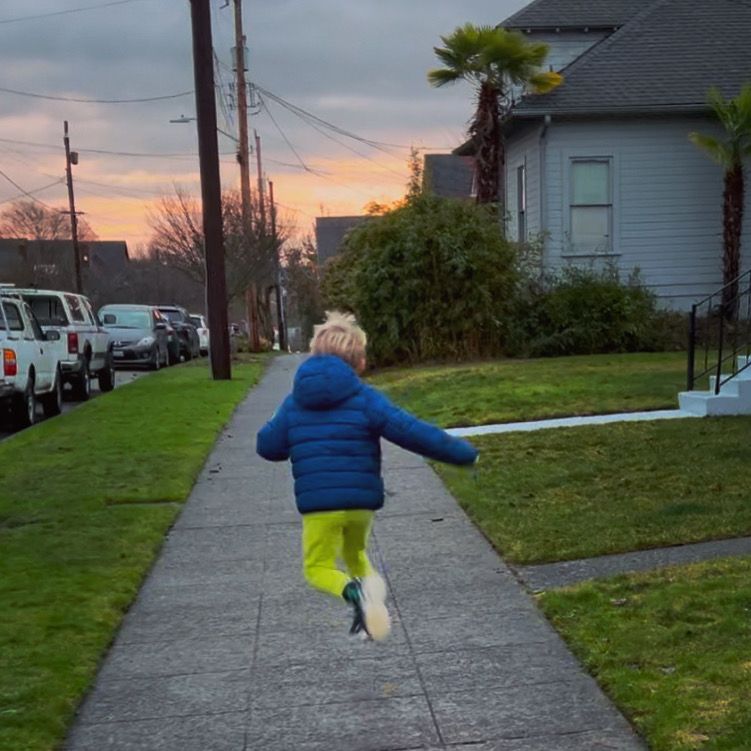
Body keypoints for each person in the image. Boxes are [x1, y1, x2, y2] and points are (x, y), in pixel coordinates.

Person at [256, 311, 478, 641]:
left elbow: (268, 447)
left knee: (317, 568)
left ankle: (353, 593)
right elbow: (410, 431)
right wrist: (461, 453)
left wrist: (284, 423)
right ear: (358, 361)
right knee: (355, 554)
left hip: (319, 507)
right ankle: (373, 604)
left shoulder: (293, 403)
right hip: (361, 505)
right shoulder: (365, 398)